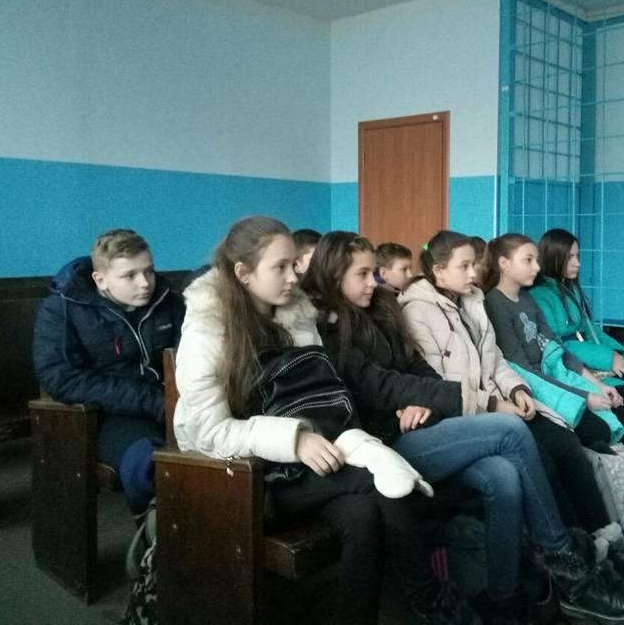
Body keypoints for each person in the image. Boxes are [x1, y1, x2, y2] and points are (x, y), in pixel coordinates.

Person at [301, 231, 624, 625]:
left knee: (503, 476)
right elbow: (378, 386)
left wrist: (425, 401)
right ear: (333, 277)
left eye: (374, 273)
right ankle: (569, 569)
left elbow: (417, 369)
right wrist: (463, 401)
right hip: (385, 444)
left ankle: (503, 600)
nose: (374, 282)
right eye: (362, 274)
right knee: (510, 430)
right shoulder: (330, 329)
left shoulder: (381, 309)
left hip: (424, 424)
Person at [173, 216, 473, 625]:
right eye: (279, 267)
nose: (293, 277)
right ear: (243, 273)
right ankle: (429, 600)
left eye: (293, 264)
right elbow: (209, 431)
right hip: (251, 473)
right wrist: (294, 439)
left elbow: (320, 394)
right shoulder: (209, 327)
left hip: (312, 460)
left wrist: (327, 435)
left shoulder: (298, 315)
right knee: (383, 482)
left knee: (362, 517)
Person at [401, 231, 624, 588]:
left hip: (502, 401)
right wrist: (498, 403)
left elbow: (497, 360)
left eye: (474, 264)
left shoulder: (472, 301)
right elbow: (442, 386)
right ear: (438, 271)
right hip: (469, 414)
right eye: (465, 266)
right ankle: (576, 552)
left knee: (566, 445)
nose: (474, 272)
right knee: (544, 456)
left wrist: (517, 389)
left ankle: (605, 538)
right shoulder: (418, 312)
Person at [32, 229, 185, 514]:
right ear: (100, 279)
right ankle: (151, 527)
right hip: (109, 413)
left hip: (174, 404)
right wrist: (154, 401)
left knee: (226, 449)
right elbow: (61, 378)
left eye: (149, 271)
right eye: (130, 275)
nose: (145, 283)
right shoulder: (63, 308)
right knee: (148, 462)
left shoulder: (169, 301)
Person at [482, 234, 624, 459]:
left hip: (556, 376)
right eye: (528, 260)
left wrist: (597, 385)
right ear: (504, 264)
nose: (537, 267)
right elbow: (523, 370)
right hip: (535, 387)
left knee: (623, 417)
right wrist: (584, 396)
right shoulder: (496, 303)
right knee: (600, 428)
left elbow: (558, 348)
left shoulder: (527, 298)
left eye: (537, 260)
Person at [533, 229, 624, 455]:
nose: (578, 263)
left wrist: (617, 352)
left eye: (577, 256)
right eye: (570, 257)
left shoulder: (569, 289)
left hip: (599, 366)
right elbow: (558, 345)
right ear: (553, 257)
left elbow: (590, 330)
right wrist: (607, 357)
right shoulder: (540, 296)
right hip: (581, 370)